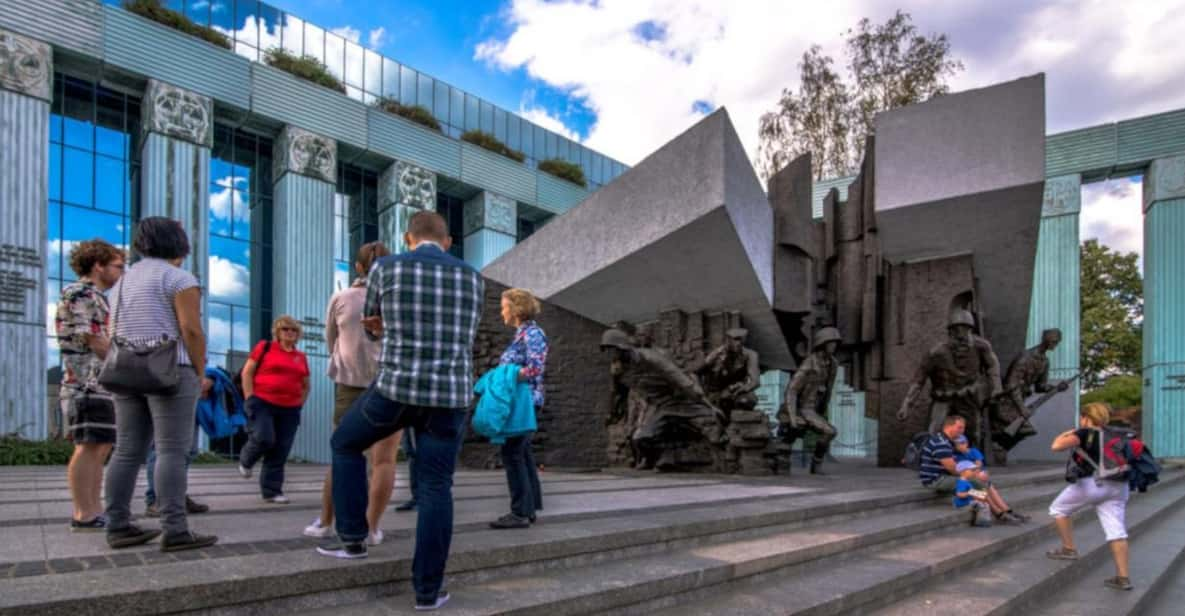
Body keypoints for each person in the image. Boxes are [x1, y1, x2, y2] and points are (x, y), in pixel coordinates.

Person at [316, 211, 483, 613]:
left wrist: (381, 328)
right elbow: (466, 333)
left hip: (396, 389)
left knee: (345, 443)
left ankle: (353, 539)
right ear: (448, 241)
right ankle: (428, 593)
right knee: (436, 487)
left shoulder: (386, 267)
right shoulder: (473, 277)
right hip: (449, 395)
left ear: (409, 238)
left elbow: (373, 324)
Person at [102, 217, 216, 552]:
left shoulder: (122, 282)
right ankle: (175, 529)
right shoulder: (179, 278)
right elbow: (191, 330)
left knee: (125, 451)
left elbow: (114, 330)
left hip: (126, 372)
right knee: (171, 450)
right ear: (177, 243)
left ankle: (118, 525)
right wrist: (199, 371)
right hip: (170, 370)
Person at [305, 241, 399, 545]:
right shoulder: (397, 301)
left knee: (344, 453)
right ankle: (371, 528)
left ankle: (326, 521)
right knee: (383, 461)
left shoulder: (342, 298)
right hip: (390, 385)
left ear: (358, 267)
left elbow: (331, 340)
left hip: (350, 385)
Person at [56, 239, 124, 531]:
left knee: (101, 444)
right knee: (89, 445)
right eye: (117, 266)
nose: (121, 273)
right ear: (98, 265)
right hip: (84, 384)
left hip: (99, 385)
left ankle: (94, 510)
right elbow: (94, 338)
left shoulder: (96, 296)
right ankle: (84, 513)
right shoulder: (82, 293)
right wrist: (127, 367)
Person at [601, 329, 726, 472]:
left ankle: (677, 457)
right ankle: (651, 459)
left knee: (710, 420)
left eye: (611, 349)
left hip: (682, 399)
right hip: (660, 405)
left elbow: (682, 381)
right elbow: (618, 394)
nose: (609, 354)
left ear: (622, 348)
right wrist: (612, 414)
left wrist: (708, 404)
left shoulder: (650, 358)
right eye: (607, 350)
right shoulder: (618, 370)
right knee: (640, 439)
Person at [1046, 402, 1133, 591]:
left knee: (1058, 509)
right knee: (1116, 531)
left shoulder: (1085, 433)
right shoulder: (1116, 433)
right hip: (1120, 484)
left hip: (1093, 483)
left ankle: (1068, 549)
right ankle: (1123, 577)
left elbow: (1056, 446)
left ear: (1086, 417)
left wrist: (1068, 433)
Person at [896, 310, 1003, 446]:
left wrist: (996, 386)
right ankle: (935, 460)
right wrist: (906, 404)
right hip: (943, 397)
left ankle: (970, 460)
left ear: (971, 331)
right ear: (950, 333)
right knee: (935, 431)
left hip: (968, 397)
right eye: (957, 332)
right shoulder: (936, 353)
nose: (961, 336)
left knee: (973, 433)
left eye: (965, 331)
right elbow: (919, 380)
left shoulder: (981, 347)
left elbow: (993, 366)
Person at [489, 288, 548, 530]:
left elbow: (535, 368)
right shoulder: (523, 334)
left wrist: (506, 376)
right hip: (523, 402)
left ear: (516, 308)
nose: (501, 311)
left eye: (504, 306)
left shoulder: (532, 334)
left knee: (512, 454)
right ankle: (529, 508)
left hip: (525, 403)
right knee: (522, 454)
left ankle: (520, 512)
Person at [238, 315, 310, 504]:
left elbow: (305, 385)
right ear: (277, 332)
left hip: (290, 409)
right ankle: (246, 459)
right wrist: (249, 398)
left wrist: (299, 404)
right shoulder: (265, 347)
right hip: (262, 402)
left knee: (280, 450)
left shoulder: (300, 357)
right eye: (286, 329)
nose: (290, 333)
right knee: (264, 437)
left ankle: (271, 491)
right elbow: (247, 372)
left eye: (294, 330)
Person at [917, 415, 1027, 524]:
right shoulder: (941, 442)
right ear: (949, 426)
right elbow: (953, 469)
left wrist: (976, 473)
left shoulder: (947, 441)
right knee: (977, 483)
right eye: (959, 427)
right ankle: (999, 513)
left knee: (983, 482)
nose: (962, 431)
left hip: (945, 476)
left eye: (963, 428)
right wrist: (975, 475)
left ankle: (1007, 510)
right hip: (936, 480)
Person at [777, 327, 841, 474]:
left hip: (814, 408)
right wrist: (793, 416)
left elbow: (828, 388)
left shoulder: (833, 363)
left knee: (828, 432)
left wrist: (823, 407)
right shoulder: (809, 363)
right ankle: (785, 460)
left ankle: (815, 463)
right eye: (830, 343)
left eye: (835, 343)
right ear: (822, 343)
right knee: (829, 431)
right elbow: (791, 390)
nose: (834, 346)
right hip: (803, 408)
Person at [695, 328, 760, 414]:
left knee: (746, 401)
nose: (737, 343)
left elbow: (755, 381)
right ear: (727, 341)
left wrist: (740, 389)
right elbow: (697, 372)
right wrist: (701, 391)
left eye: (739, 340)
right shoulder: (717, 353)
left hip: (736, 391)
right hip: (715, 392)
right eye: (733, 340)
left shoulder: (750, 355)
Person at [953, 462, 992, 528]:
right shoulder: (961, 482)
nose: (973, 472)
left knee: (985, 503)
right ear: (963, 472)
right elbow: (959, 494)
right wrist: (970, 493)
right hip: (962, 504)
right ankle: (981, 521)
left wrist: (981, 492)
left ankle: (984, 520)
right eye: (971, 470)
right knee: (980, 504)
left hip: (969, 502)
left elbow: (973, 493)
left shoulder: (967, 481)